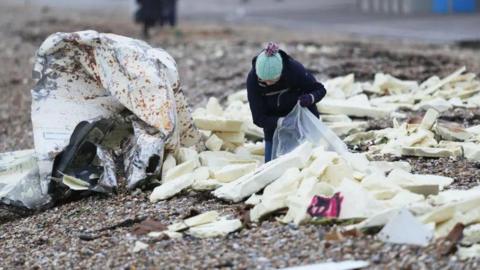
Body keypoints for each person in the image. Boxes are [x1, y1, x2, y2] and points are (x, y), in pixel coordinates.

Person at [246, 42, 327, 163]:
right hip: (273, 129)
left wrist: (310, 98)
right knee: (272, 167)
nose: (268, 84)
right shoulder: (253, 80)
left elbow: (320, 90)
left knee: (308, 163)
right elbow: (258, 118)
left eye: (272, 80)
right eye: (264, 80)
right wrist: (281, 122)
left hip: (303, 125)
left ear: (281, 72)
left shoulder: (294, 69)